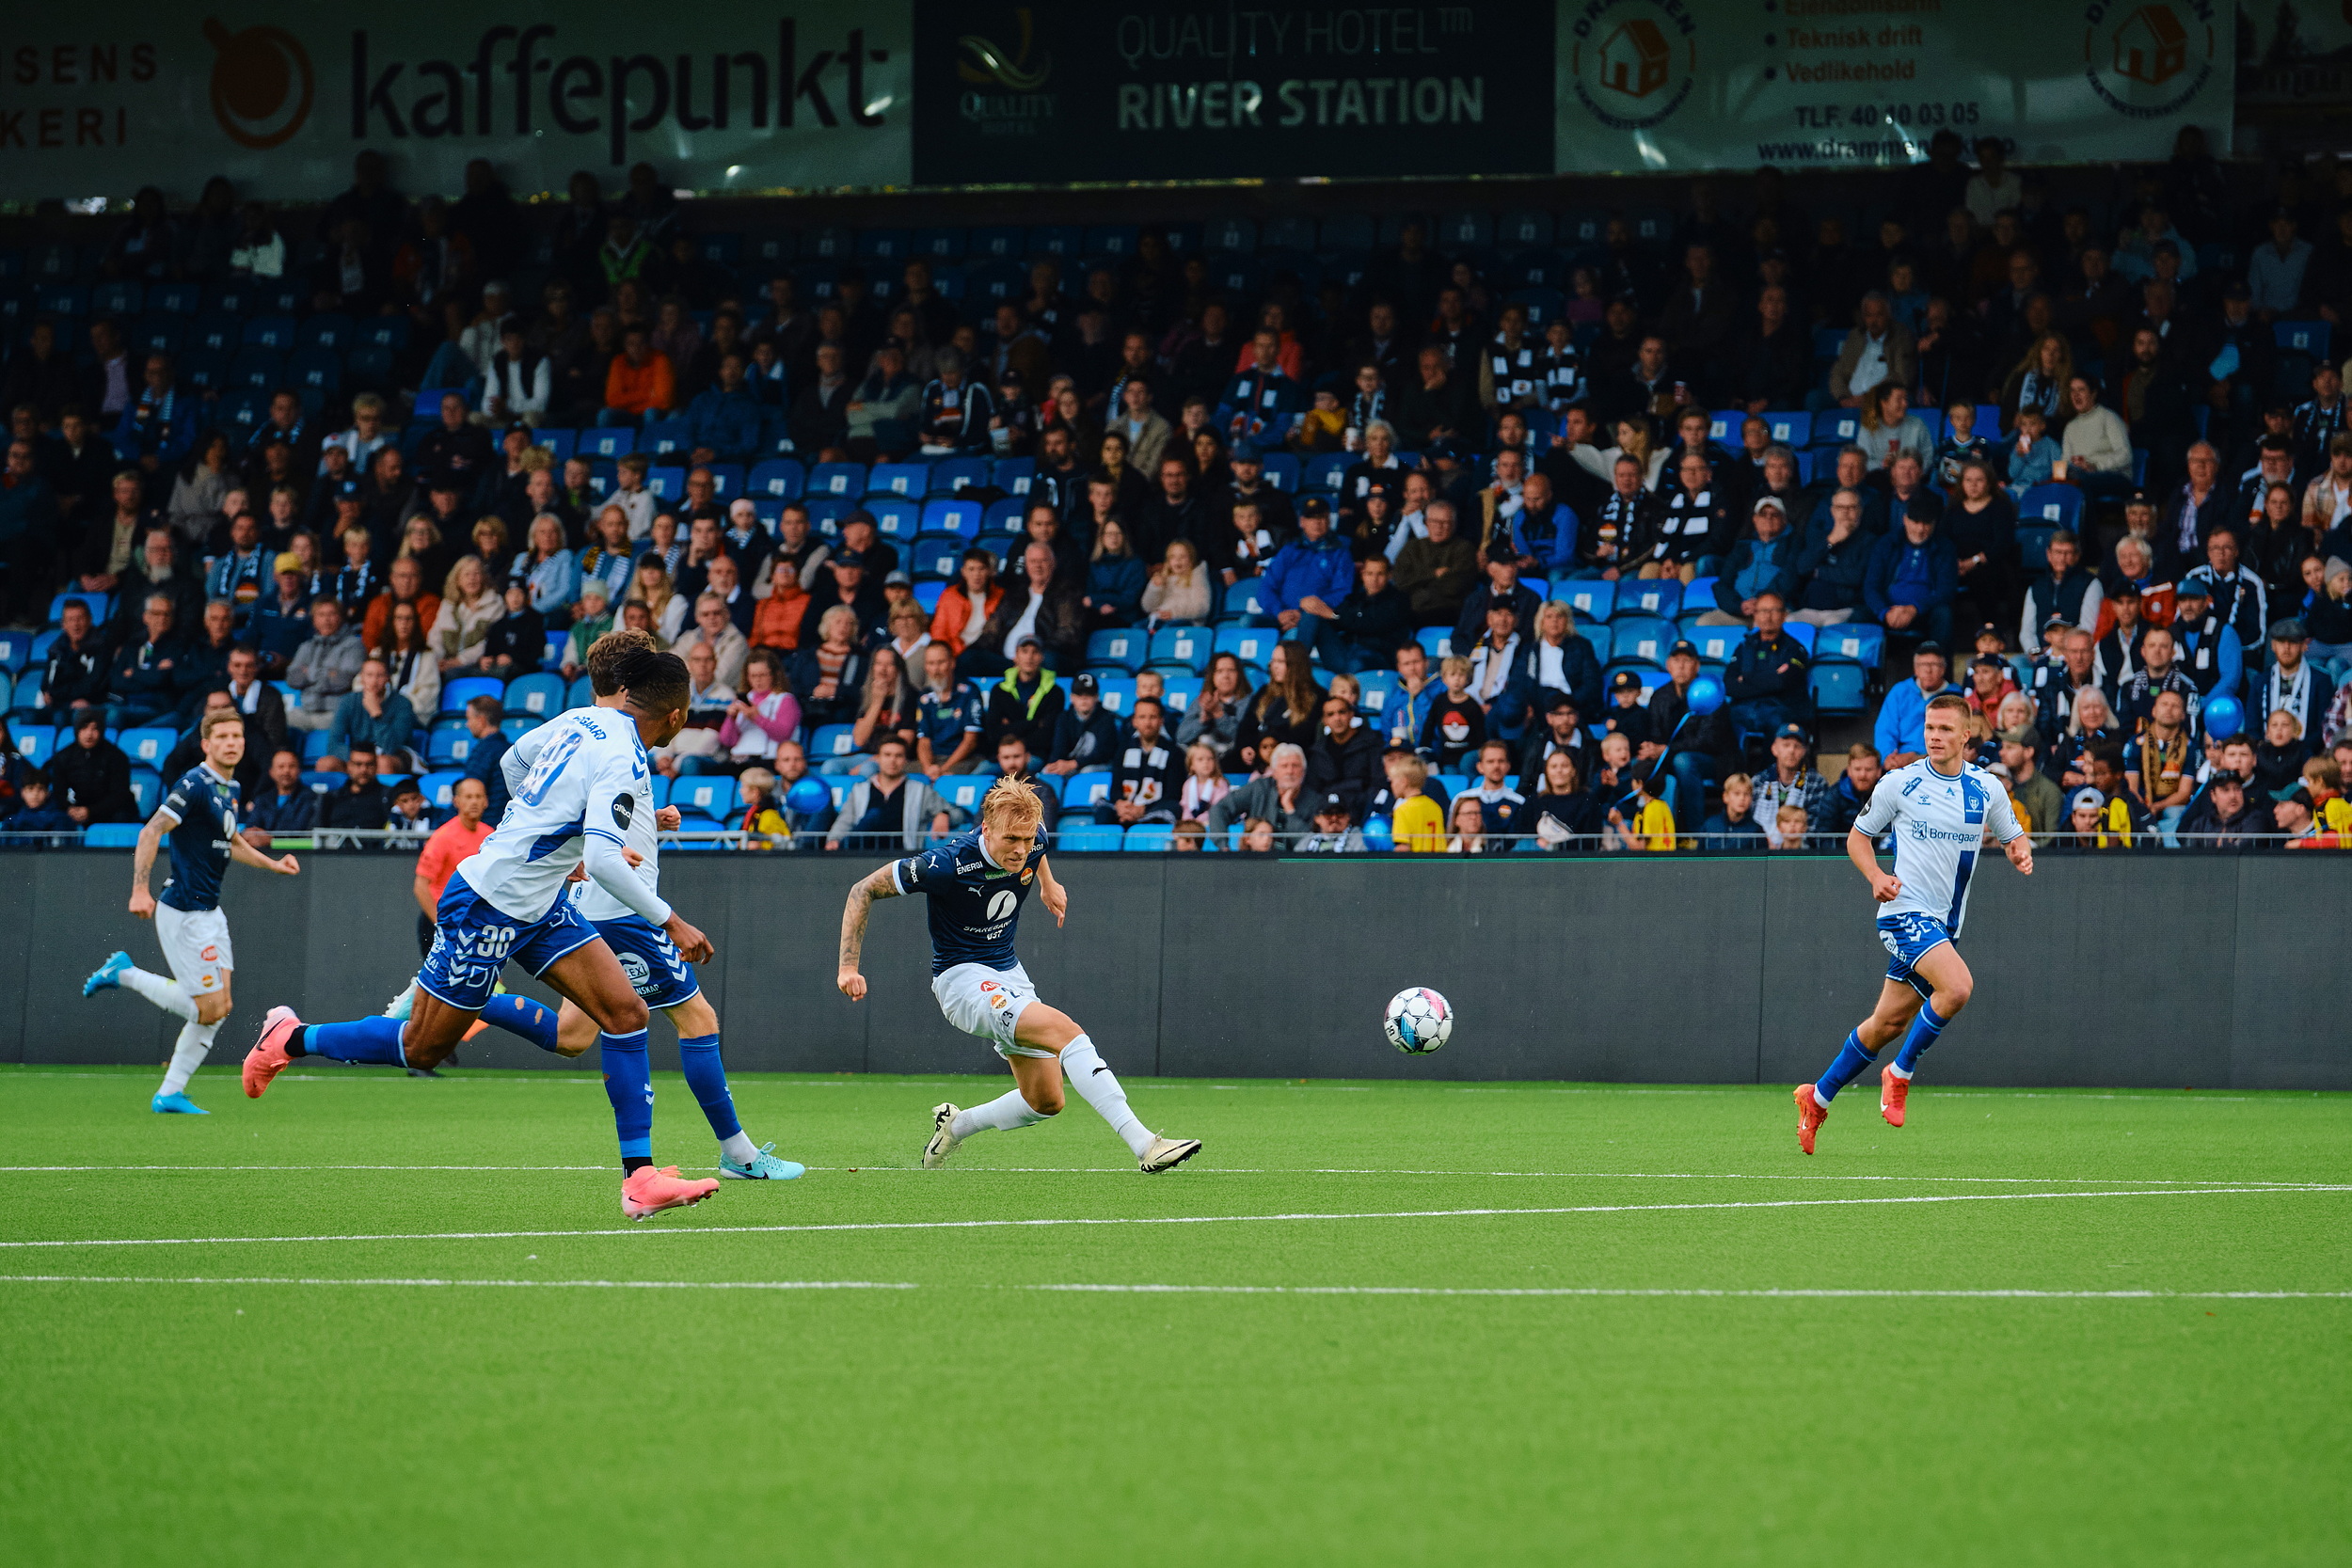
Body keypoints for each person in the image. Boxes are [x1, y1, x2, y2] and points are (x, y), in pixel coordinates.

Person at [243, 648, 728, 1221]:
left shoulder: (581, 719)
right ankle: (291, 1038)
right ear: (675, 717)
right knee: (421, 1047)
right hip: (489, 904)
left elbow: (512, 765)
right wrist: (670, 919)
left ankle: (638, 1177)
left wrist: (546, 845)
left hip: (539, 901)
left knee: (626, 1014)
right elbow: (602, 859)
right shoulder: (628, 756)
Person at [836, 774, 1200, 1174]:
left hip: (1009, 974)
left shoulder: (1034, 838)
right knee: (1067, 1032)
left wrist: (1048, 883)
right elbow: (861, 890)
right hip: (962, 982)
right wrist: (848, 967)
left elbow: (1037, 849)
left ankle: (957, 1127)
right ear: (986, 829)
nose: (1021, 849)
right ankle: (1145, 1143)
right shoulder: (946, 863)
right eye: (1011, 840)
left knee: (1046, 1102)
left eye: (1027, 840)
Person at [1794, 694, 2032, 1154]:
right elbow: (1857, 839)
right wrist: (1876, 875)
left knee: (1887, 1021)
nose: (1935, 736)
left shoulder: (1987, 788)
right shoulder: (1899, 783)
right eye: (1929, 728)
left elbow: (2013, 835)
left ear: (1966, 736)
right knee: (1958, 987)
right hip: (1905, 912)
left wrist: (2019, 851)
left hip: (1945, 925)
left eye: (1945, 729)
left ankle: (1816, 1097)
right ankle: (1899, 1074)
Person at [80, 709, 302, 1115]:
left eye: (237, 736)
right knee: (208, 1008)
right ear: (207, 744)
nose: (233, 742)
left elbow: (232, 841)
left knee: (221, 1008)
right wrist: (138, 890)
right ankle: (124, 973)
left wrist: (273, 865)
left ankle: (169, 1093)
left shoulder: (229, 786)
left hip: (210, 913)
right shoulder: (194, 783)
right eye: (223, 737)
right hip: (182, 911)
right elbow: (151, 830)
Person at [411, 777, 493, 955]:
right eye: (468, 796)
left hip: (475, 921)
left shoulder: (491, 836)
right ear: (456, 801)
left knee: (487, 978)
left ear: (486, 801)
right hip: (443, 920)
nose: (474, 802)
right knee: (440, 981)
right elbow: (421, 886)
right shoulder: (443, 837)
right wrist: (441, 926)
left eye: (478, 797)